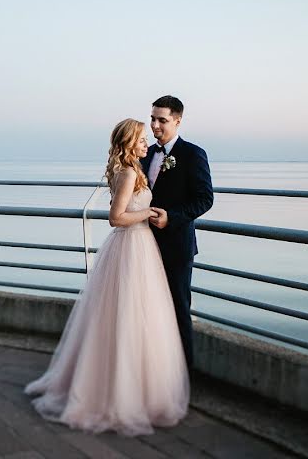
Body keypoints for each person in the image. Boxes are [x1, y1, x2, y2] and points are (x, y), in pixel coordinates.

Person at [25, 118, 189, 436]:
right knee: (129, 316)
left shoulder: (127, 169)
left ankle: (128, 386)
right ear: (129, 142)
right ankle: (120, 394)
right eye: (141, 139)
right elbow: (116, 217)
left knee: (125, 317)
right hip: (132, 245)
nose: (146, 143)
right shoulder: (128, 172)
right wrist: (150, 214)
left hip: (136, 248)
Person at [141, 95, 214, 368]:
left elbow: (204, 199)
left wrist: (171, 217)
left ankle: (184, 376)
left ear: (178, 121)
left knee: (178, 309)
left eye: (162, 120)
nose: (155, 125)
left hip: (176, 246)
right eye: (152, 119)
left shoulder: (193, 154)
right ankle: (154, 369)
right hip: (143, 244)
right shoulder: (145, 153)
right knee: (147, 308)